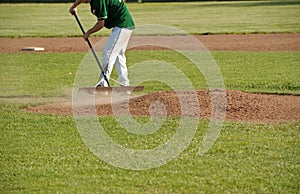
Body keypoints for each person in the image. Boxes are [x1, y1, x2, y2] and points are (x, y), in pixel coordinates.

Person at [69, 0, 135, 87]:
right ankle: (124, 83)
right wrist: (74, 6)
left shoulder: (98, 1)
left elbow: (101, 24)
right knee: (118, 55)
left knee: (109, 53)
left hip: (122, 25)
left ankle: (103, 83)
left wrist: (88, 33)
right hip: (124, 25)